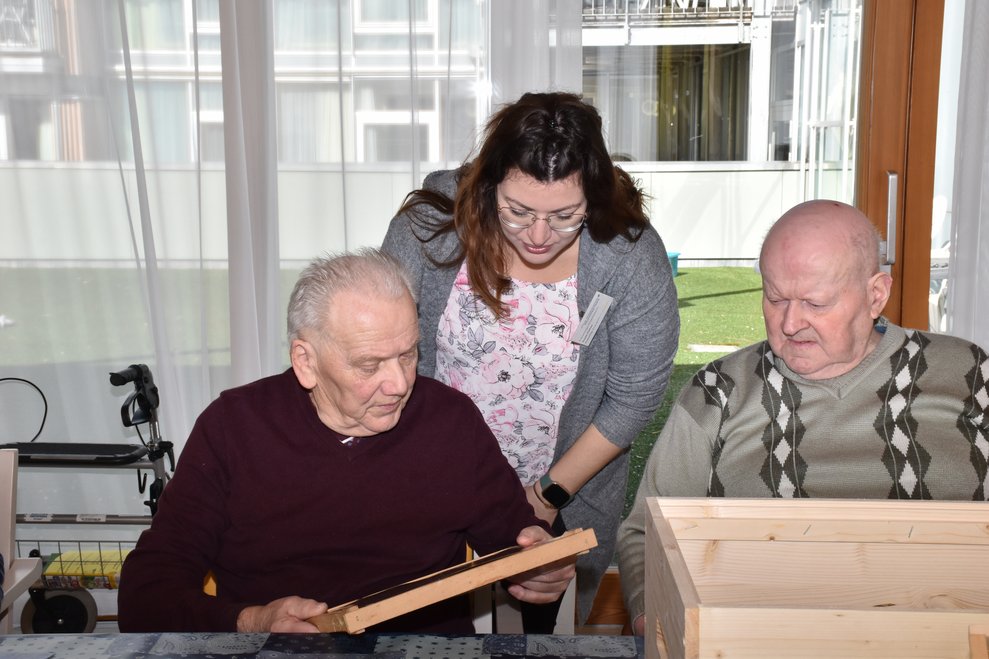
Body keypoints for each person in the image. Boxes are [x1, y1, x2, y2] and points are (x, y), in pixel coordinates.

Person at [117, 249, 574, 634]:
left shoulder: (450, 420)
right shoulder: (233, 428)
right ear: (306, 361)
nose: (399, 383)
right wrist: (253, 620)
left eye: (408, 354)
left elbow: (516, 541)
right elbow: (145, 596)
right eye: (369, 365)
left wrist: (539, 563)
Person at [616, 199, 989, 635]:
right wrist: (653, 617)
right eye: (775, 298)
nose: (790, 323)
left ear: (876, 295)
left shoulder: (968, 373)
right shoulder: (720, 390)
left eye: (815, 303)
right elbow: (646, 533)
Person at [382, 91, 680, 631]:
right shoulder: (430, 226)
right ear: (488, 184)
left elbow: (634, 397)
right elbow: (385, 347)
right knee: (430, 630)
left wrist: (547, 494)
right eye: (518, 212)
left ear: (593, 196)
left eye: (565, 216)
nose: (539, 236)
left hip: (563, 488)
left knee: (540, 633)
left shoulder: (630, 254)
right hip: (433, 474)